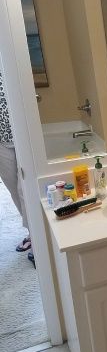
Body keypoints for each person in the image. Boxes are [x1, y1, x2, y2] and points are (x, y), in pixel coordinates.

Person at [0, 68, 31, 257]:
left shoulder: (7, 60)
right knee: (12, 187)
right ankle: (32, 232)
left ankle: (38, 238)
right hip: (1, 142)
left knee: (24, 189)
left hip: (22, 136)